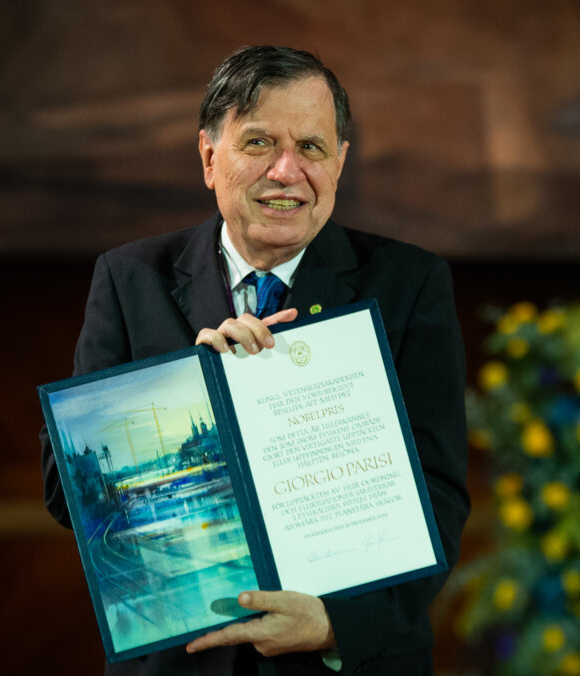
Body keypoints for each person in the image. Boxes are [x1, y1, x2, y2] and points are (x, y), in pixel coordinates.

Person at [41, 45, 470, 676]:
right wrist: (187, 389)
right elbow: (65, 492)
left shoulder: (410, 284)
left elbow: (439, 493)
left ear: (341, 163)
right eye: (259, 142)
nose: (287, 170)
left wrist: (335, 624)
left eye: (313, 148)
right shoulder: (129, 279)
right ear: (210, 158)